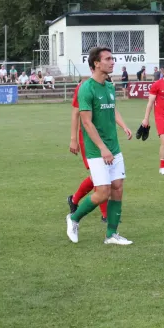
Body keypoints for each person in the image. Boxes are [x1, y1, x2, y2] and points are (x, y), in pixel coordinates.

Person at [66, 47, 133, 245]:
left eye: (112, 59)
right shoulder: (86, 88)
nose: (113, 62)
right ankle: (74, 218)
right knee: (102, 192)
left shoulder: (109, 86)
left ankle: (111, 235)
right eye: (108, 59)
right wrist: (103, 148)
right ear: (96, 63)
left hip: (114, 146)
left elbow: (112, 110)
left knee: (118, 188)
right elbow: (86, 122)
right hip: (97, 149)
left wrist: (124, 126)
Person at [68, 77, 108, 223]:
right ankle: (105, 214)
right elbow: (75, 113)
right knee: (99, 175)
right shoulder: (84, 87)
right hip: (88, 138)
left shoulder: (107, 84)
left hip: (105, 136)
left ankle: (74, 199)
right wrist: (73, 139)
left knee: (101, 175)